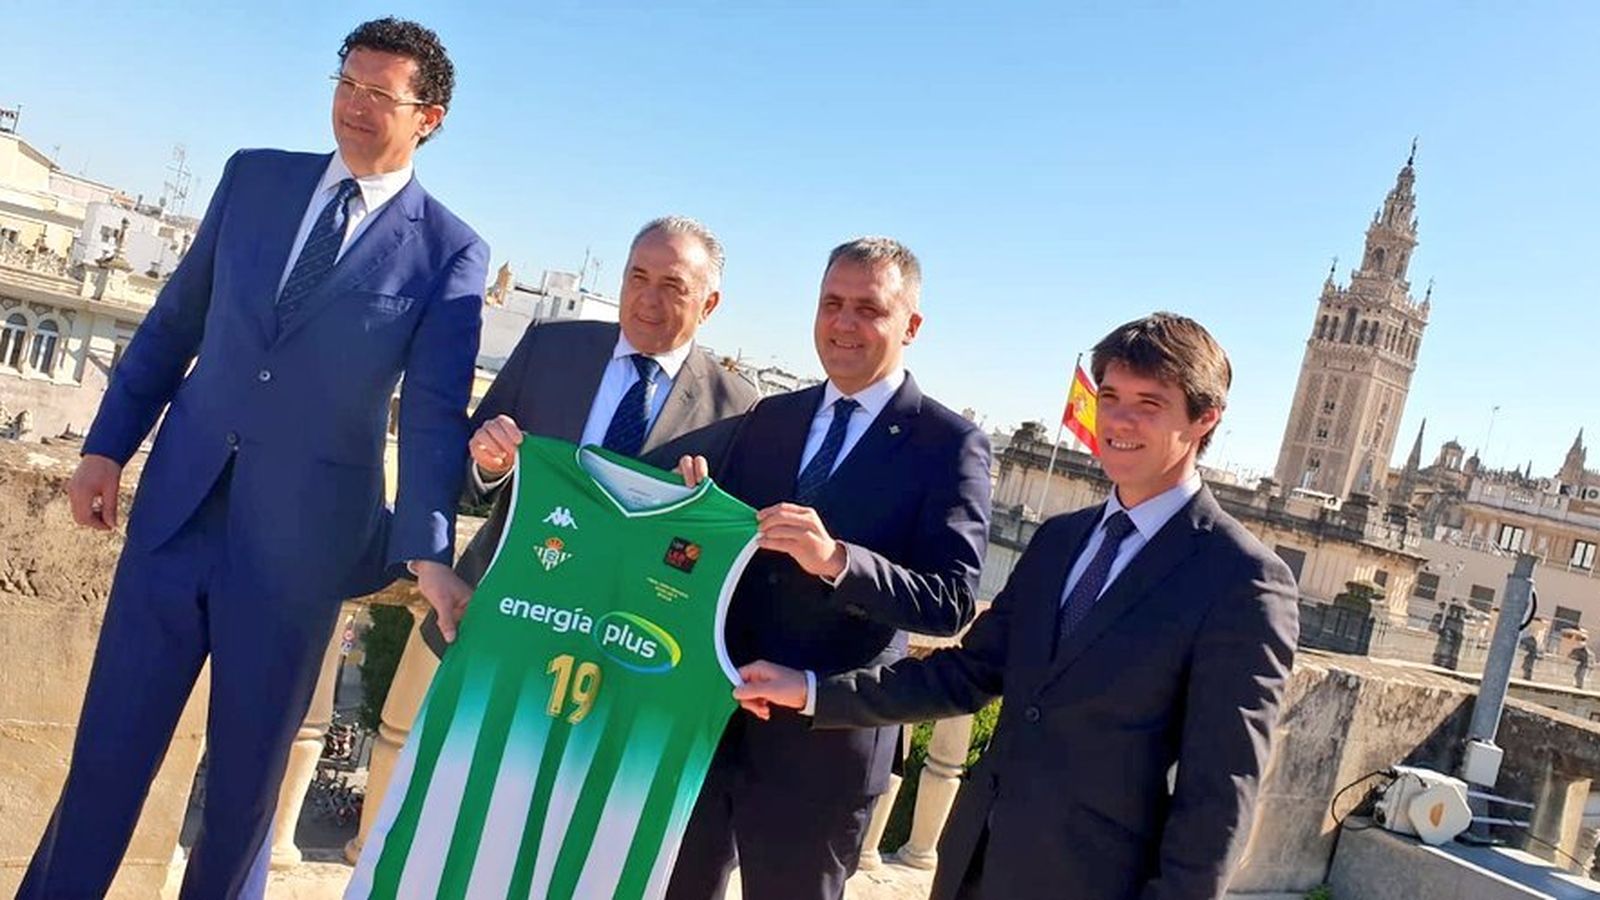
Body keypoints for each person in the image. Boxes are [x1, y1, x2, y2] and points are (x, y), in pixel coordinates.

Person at [22, 18, 487, 899]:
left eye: (378, 94)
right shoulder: (254, 178)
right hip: (175, 517)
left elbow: (432, 412)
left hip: (296, 555)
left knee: (243, 796)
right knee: (105, 762)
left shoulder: (449, 251)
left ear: (429, 117)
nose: (353, 106)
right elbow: (173, 323)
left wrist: (427, 548)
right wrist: (104, 448)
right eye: (345, 82)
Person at [735, 313, 1300, 900]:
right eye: (1110, 397)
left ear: (1205, 419)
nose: (1119, 421)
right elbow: (968, 672)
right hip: (975, 866)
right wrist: (810, 691)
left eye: (1149, 404)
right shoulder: (1061, 539)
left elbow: (1219, 797)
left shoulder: (1244, 582)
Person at [666, 237, 993, 900]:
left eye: (868, 309)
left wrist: (839, 562)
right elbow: (723, 551)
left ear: (912, 325)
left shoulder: (950, 445)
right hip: (714, 725)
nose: (844, 324)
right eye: (831, 304)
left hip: (826, 747)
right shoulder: (769, 416)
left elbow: (950, 602)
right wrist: (694, 503)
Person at [419, 215, 760, 650]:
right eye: (637, 277)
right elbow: (463, 477)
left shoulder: (736, 407)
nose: (647, 300)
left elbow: (721, 551)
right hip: (498, 618)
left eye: (672, 286)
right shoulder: (550, 348)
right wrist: (489, 466)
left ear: (708, 304)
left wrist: (698, 507)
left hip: (623, 643)